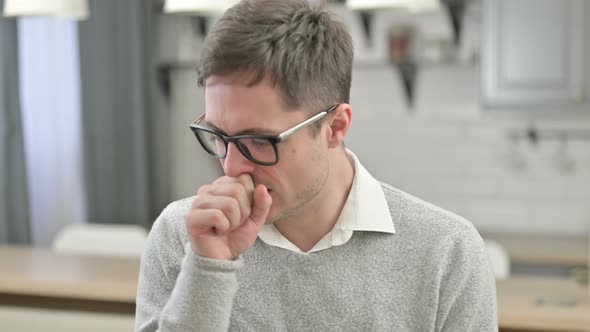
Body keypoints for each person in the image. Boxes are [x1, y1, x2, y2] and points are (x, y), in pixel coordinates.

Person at [135, 0, 497, 331]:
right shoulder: (182, 236)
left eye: (259, 140)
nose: (232, 168)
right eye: (218, 136)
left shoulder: (448, 252)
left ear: (336, 127)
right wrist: (208, 268)